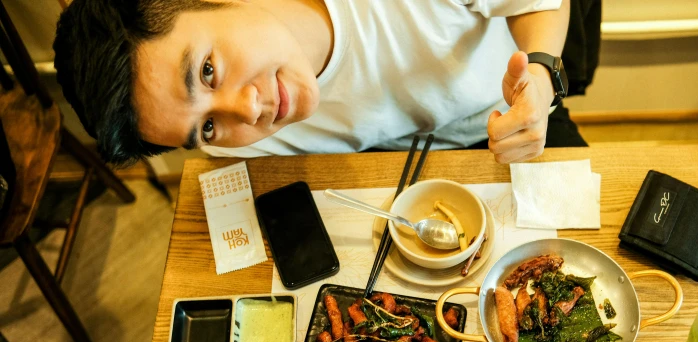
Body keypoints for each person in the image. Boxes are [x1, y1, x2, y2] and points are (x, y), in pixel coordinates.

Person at [54, 0, 587, 166]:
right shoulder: (229, 145)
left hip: (512, 118)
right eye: (208, 127)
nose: (248, 112)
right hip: (398, 167)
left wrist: (540, 75)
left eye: (208, 70)